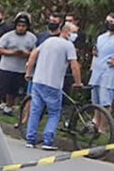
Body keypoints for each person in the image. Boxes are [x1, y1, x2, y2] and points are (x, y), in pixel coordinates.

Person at [24, 21, 83, 149]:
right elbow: (74, 65)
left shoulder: (48, 41)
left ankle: (30, 139)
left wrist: (29, 72)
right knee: (54, 112)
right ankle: (48, 140)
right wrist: (78, 82)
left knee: (35, 110)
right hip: (53, 84)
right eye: (74, 32)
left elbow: (33, 54)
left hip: (38, 81)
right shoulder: (68, 46)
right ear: (66, 32)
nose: (75, 35)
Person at [0, 13, 37, 115]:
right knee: (1, 88)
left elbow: (35, 52)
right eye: (19, 26)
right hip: (6, 67)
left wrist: (26, 54)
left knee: (13, 90)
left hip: (20, 69)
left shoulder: (32, 38)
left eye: (23, 26)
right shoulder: (8, 36)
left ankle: (9, 107)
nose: (21, 28)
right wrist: (12, 53)